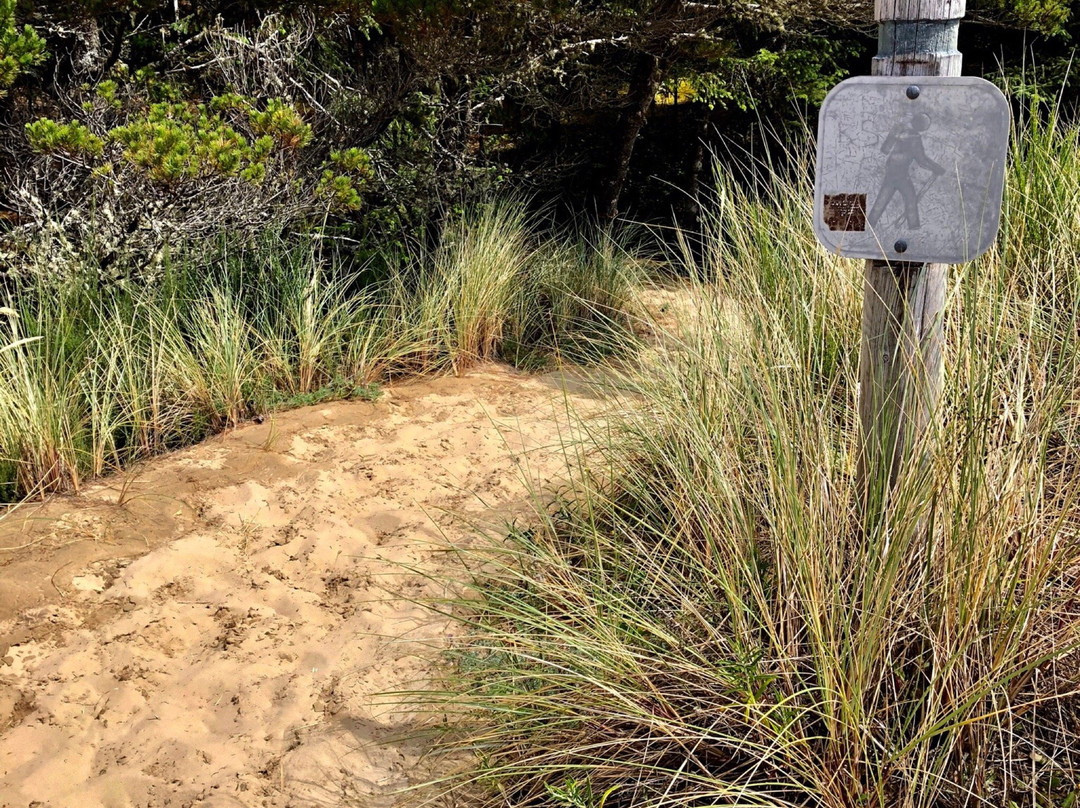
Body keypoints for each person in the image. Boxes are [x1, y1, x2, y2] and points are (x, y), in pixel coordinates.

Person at [867, 111, 944, 230]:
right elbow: (921, 160)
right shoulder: (915, 139)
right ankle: (914, 227)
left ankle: (871, 222)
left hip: (891, 169)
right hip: (901, 174)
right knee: (910, 198)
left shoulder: (899, 130)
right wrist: (936, 168)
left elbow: (885, 149)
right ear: (922, 127)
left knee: (883, 197)